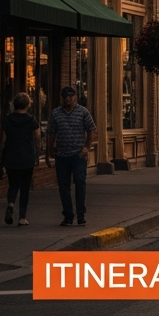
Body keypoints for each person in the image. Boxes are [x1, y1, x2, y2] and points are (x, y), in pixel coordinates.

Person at [45, 87, 97, 226]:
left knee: (80, 182)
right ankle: (68, 215)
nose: (68, 99)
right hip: (61, 155)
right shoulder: (56, 113)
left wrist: (87, 147)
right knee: (63, 186)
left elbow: (91, 130)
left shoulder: (83, 112)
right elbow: (51, 133)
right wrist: (49, 152)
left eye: (71, 96)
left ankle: (81, 214)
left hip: (78, 155)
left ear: (75, 97)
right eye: (65, 96)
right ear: (62, 98)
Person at [0, 92, 40, 226]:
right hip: (27, 158)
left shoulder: (8, 120)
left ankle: (10, 203)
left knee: (13, 184)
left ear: (14, 104)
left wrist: (1, 158)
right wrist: (37, 153)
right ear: (28, 105)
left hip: (11, 157)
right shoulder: (31, 120)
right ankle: (22, 217)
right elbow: (38, 138)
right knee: (25, 188)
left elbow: (3, 141)